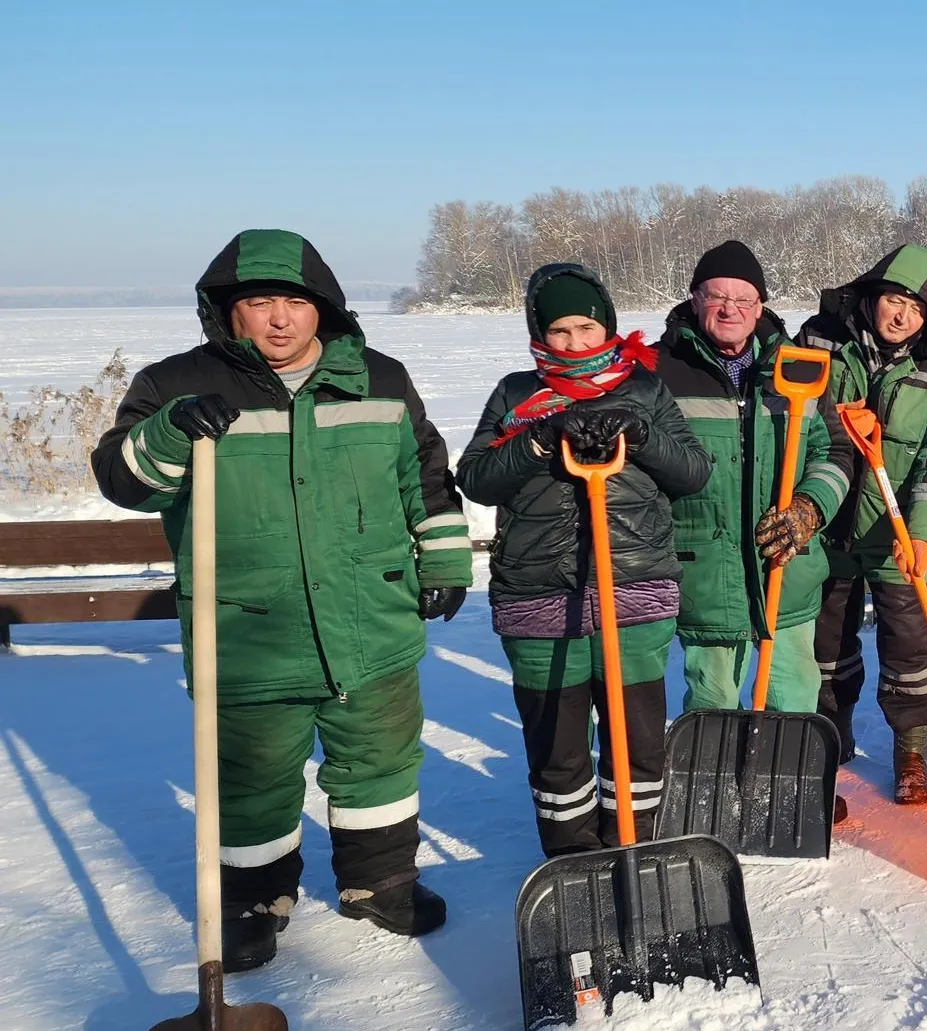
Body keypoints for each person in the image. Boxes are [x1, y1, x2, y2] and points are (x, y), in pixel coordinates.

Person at [90, 228, 472, 972]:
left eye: (293, 302)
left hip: (372, 617)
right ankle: (253, 901)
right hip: (248, 631)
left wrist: (446, 553)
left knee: (381, 763)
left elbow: (424, 472)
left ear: (321, 309)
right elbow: (123, 479)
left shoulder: (381, 379)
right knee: (252, 778)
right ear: (226, 312)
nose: (277, 319)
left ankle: (381, 883)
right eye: (258, 302)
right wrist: (170, 434)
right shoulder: (176, 386)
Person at [455, 264, 712, 854]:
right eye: (561, 332)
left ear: (608, 329)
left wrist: (641, 434)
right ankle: (573, 854)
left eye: (586, 330)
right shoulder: (517, 394)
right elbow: (476, 478)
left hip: (634, 589)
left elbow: (694, 472)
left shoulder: (645, 387)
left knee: (637, 741)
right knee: (558, 746)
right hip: (538, 592)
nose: (574, 344)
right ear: (539, 334)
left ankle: (635, 844)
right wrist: (540, 439)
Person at [651, 240, 858, 716]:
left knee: (793, 696)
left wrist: (809, 508)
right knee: (712, 699)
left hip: (785, 566)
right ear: (694, 298)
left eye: (743, 299)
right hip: (706, 570)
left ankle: (791, 787)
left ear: (759, 305)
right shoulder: (661, 373)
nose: (730, 310)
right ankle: (715, 788)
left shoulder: (796, 365)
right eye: (717, 296)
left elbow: (835, 451)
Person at [799, 244, 927, 805]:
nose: (902, 317)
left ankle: (912, 749)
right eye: (894, 301)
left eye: (917, 309)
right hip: (827, 524)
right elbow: (805, 419)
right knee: (828, 641)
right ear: (873, 297)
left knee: (910, 644)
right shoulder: (821, 340)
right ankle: (833, 737)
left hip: (898, 530)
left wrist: (923, 535)